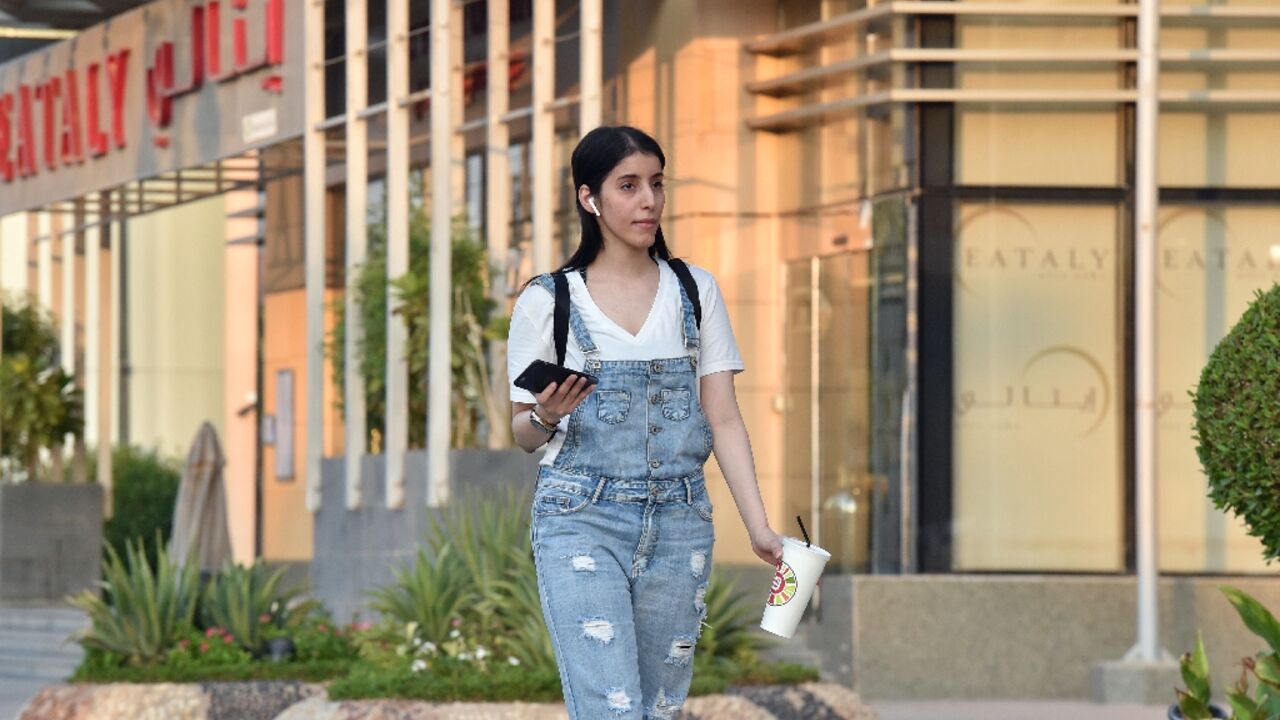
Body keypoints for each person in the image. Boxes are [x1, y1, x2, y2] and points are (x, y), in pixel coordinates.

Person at [506, 125, 782, 719]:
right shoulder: (548, 301)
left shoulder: (695, 290)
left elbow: (724, 418)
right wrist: (546, 415)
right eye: (628, 186)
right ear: (589, 198)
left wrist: (759, 528)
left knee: (659, 709)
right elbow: (521, 435)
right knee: (613, 708)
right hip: (580, 518)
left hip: (681, 521)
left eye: (656, 184)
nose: (648, 200)